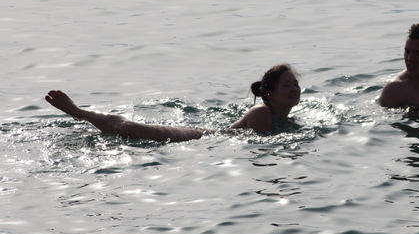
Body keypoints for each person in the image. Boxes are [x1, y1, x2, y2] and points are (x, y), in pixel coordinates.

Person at [45, 64, 301, 142]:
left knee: (130, 131)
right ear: (270, 93)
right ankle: (78, 112)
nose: (294, 89)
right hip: (199, 138)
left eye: (295, 84)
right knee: (128, 129)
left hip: (206, 139)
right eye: (287, 85)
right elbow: (259, 145)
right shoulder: (261, 113)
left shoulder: (280, 115)